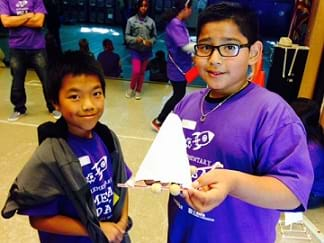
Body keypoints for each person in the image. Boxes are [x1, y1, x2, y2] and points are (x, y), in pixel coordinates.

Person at [166, 3, 314, 243]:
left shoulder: (273, 114)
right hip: (183, 234)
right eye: (205, 47)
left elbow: (293, 194)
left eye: (230, 47)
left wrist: (233, 182)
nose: (214, 59)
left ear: (254, 53)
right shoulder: (187, 105)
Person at [1, 51, 132, 243]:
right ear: (56, 102)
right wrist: (94, 229)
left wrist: (120, 224)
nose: (88, 105)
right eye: (74, 97)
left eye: (96, 94)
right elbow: (39, 219)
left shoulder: (107, 138)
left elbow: (122, 184)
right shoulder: (50, 155)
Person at [0, 0, 61, 121]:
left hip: (37, 47)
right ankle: (19, 108)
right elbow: (6, 22)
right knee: (17, 81)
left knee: (46, 78)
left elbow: (38, 22)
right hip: (16, 47)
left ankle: (53, 107)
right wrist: (28, 15)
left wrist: (15, 20)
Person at [151, 0, 195, 131]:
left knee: (179, 93)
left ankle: (174, 116)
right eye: (190, 8)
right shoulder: (175, 24)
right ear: (185, 7)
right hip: (177, 68)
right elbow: (185, 46)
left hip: (183, 65)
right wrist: (204, 47)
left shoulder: (180, 23)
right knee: (178, 94)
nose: (191, 11)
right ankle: (159, 120)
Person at [290, 97, 324, 208]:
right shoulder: (301, 135)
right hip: (299, 186)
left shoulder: (312, 147)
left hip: (312, 195)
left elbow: (296, 177)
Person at [125, 0, 157, 100]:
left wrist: (150, 42)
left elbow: (154, 37)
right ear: (138, 7)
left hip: (146, 51)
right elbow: (126, 36)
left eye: (146, 6)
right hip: (135, 50)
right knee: (136, 71)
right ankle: (131, 88)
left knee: (142, 72)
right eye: (141, 6)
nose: (143, 8)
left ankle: (138, 90)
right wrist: (135, 39)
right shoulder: (131, 21)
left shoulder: (151, 21)